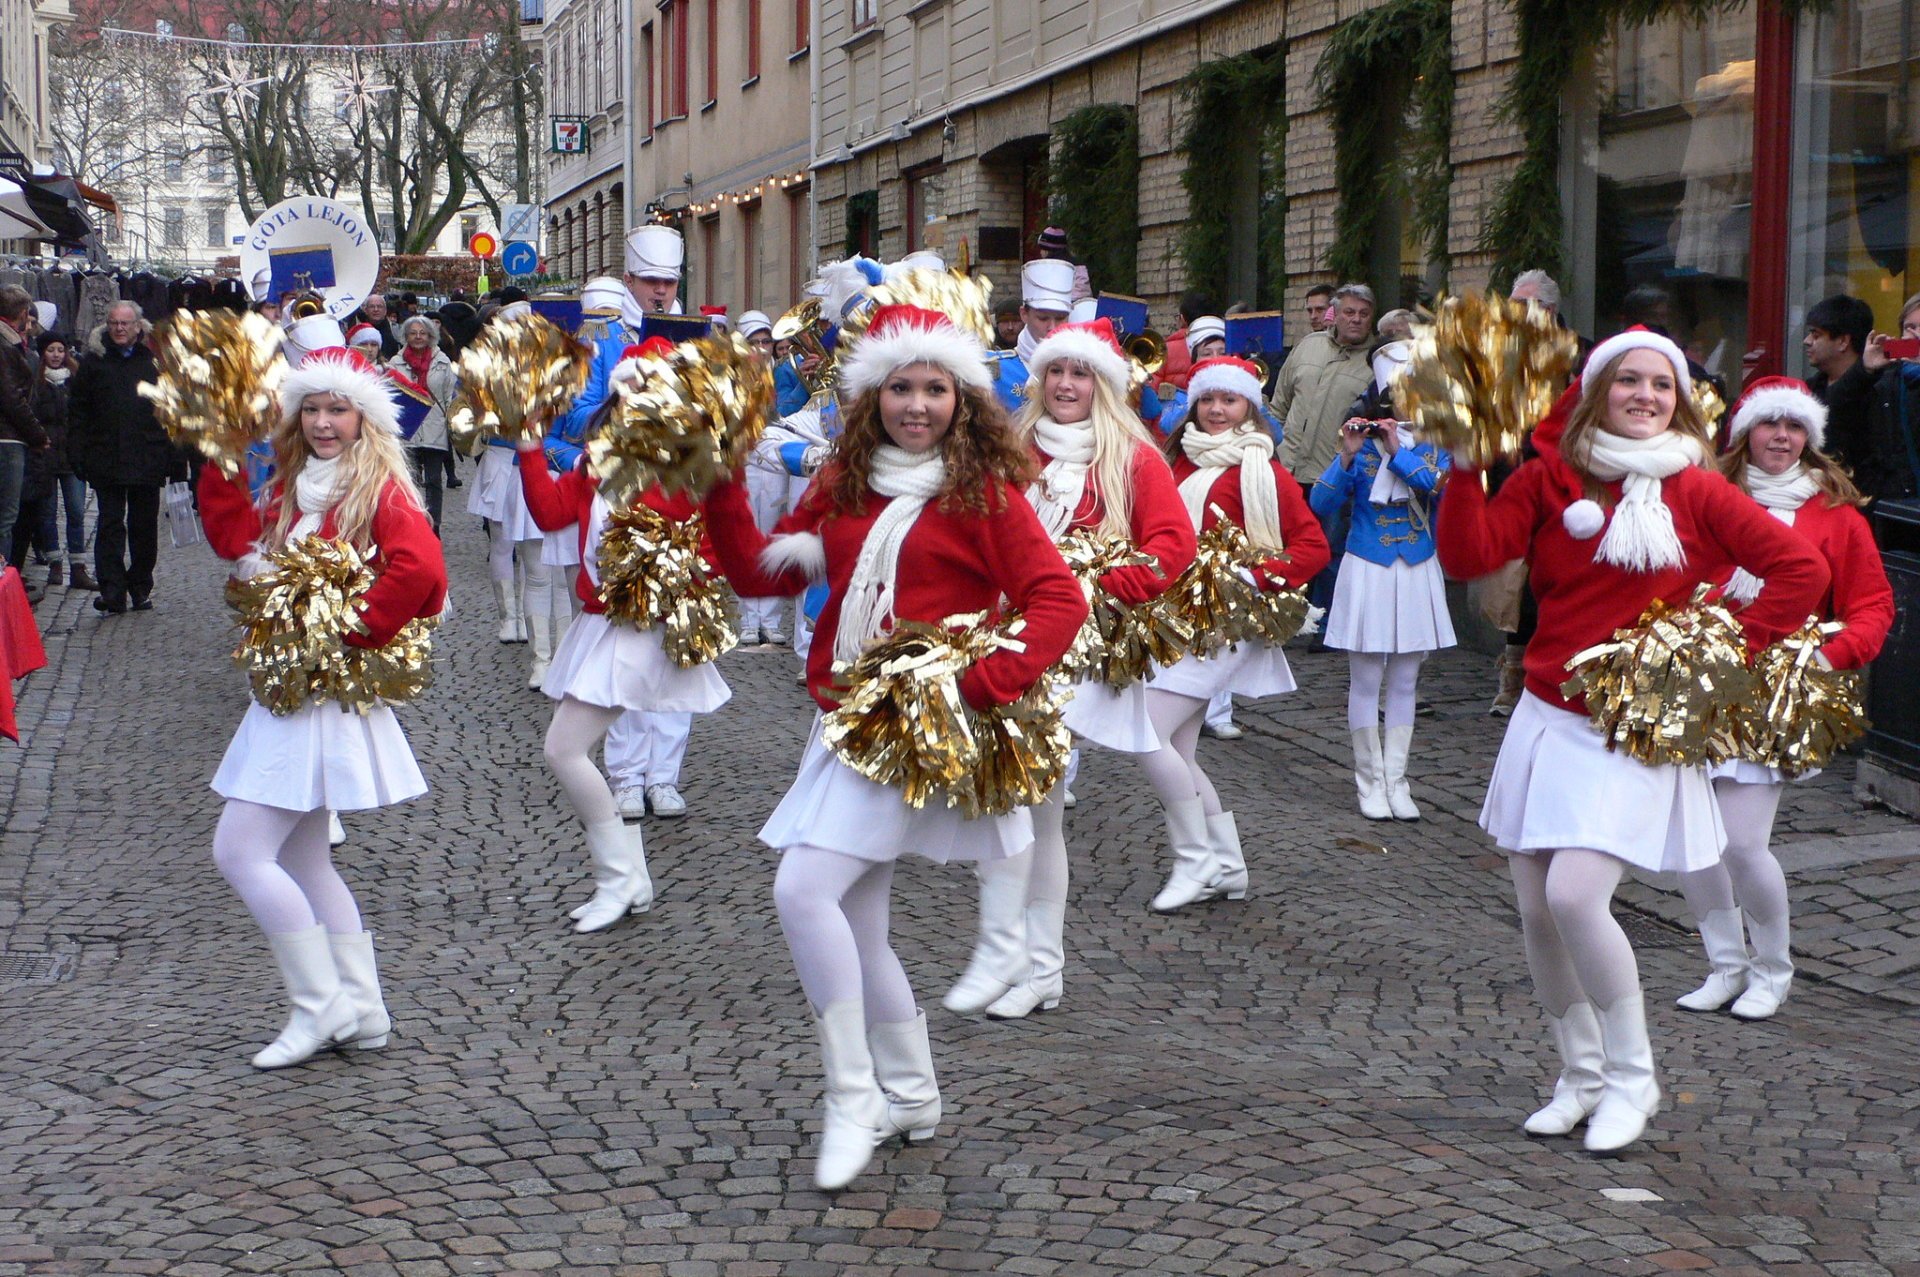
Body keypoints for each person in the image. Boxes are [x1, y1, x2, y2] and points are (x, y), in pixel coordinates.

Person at [699, 303, 1086, 1190]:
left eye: (936, 388)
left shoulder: (982, 492)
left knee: (802, 889)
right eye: (901, 387)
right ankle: (911, 1092)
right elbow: (764, 571)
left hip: (917, 727)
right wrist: (718, 484)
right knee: (858, 923)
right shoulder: (843, 480)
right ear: (871, 394)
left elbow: (1056, 600)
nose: (918, 404)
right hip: (847, 716)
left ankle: (853, 1096)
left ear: (964, 399)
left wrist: (974, 684)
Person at [1436, 328, 1828, 1154]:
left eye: (1661, 383)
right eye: (1629, 381)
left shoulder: (1696, 488)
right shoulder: (1551, 476)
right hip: (1548, 713)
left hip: (1635, 725)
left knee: (1578, 895)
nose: (1646, 395)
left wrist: (1716, 655)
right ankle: (1578, 1076)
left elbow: (1800, 571)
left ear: (1679, 399)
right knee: (1538, 910)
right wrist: (1466, 462)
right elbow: (1470, 552)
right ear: (1598, 390)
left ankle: (1633, 1074)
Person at [196, 339, 447, 1069]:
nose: (324, 422)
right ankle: (364, 1010)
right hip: (292, 693)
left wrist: (350, 630)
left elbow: (424, 568)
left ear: (364, 417)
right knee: (308, 862)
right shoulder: (291, 486)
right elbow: (232, 538)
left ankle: (320, 1005)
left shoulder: (378, 491)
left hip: (319, 697)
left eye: (338, 408)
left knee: (239, 851)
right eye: (312, 408)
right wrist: (217, 453)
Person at [945, 317, 1194, 1020]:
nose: (1065, 385)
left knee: (1031, 805)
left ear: (1102, 385)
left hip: (1074, 653)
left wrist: (1092, 586)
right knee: (1014, 804)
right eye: (1056, 372)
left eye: (1080, 374)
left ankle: (1034, 964)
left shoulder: (1134, 458)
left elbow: (1170, 548)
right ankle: (1025, 961)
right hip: (1003, 642)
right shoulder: (1012, 445)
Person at [1674, 378, 1892, 1021]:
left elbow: (1873, 606)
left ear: (1810, 439)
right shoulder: (1705, 499)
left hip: (1775, 695)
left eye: (1794, 428)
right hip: (1699, 684)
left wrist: (1828, 655)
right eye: (1769, 425)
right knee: (1693, 842)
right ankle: (1725, 965)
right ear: (1744, 434)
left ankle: (1773, 971)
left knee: (1741, 843)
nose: (1781, 438)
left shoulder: (1835, 516)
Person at [515, 339, 732, 934]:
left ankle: (621, 877)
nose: (639, 401)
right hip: (600, 622)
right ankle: (627, 876)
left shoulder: (689, 465)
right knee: (565, 749)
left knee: (562, 750)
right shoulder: (597, 457)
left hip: (642, 626)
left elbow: (714, 549)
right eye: (630, 390)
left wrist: (671, 583)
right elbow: (553, 515)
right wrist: (530, 444)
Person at [1141, 356, 1329, 912]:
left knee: (1147, 732)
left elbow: (1312, 547)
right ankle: (1227, 867)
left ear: (1249, 407)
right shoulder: (1177, 462)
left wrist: (1253, 575)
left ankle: (1195, 860)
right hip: (1174, 619)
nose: (1217, 410)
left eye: (1230, 400)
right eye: (1207, 400)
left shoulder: (1262, 470)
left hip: (1227, 623)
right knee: (1178, 748)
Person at [1311, 342, 1453, 821]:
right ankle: (1368, 781)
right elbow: (1321, 507)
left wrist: (1398, 452)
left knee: (1407, 680)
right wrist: (1346, 458)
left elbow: (1434, 487)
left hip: (1416, 564)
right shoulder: (1360, 441)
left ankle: (1398, 780)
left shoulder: (1437, 444)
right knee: (1366, 679)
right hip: (1367, 565)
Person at [68, 302, 185, 615]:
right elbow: (78, 410)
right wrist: (76, 451)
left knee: (144, 528)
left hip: (148, 456)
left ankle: (140, 586)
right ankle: (112, 591)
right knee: (109, 526)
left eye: (124, 323)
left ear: (138, 326)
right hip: (106, 456)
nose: (119, 329)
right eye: (113, 323)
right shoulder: (94, 362)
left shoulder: (157, 363)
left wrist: (177, 459)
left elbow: (173, 413)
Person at [1271, 283, 1377, 619]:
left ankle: (1327, 622)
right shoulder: (1308, 346)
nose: (1356, 320)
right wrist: (1275, 449)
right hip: (1289, 467)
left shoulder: (1375, 361)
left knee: (1331, 551)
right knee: (1287, 547)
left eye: (1363, 314)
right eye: (1349, 312)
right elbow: (1280, 404)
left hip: (1335, 472)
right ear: (1336, 314)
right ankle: (1284, 617)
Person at [32, 333, 93, 591]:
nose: (56, 355)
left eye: (60, 350)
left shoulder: (76, 381)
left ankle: (78, 566)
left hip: (71, 456)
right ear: (43, 354)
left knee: (76, 510)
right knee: (47, 514)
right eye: (51, 350)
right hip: (45, 456)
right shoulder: (36, 383)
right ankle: (55, 562)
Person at [387, 316, 457, 533]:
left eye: (422, 333)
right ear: (406, 336)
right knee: (411, 480)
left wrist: (452, 423)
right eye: (413, 333)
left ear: (430, 336)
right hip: (408, 429)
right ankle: (415, 522)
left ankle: (434, 524)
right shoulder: (395, 364)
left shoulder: (443, 362)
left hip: (435, 426)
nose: (418, 337)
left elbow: (449, 397)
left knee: (434, 479)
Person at [0, 286, 50, 574]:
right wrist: (37, 435)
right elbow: (11, 398)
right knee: (6, 518)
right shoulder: (6, 346)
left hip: (10, 436)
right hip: (7, 439)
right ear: (21, 314)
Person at [988, 259, 1076, 412]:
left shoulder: (1084, 368)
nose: (1052, 327)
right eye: (1043, 318)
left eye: (1060, 318)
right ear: (1024, 314)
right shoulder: (996, 369)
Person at [1035, 226, 1092, 302]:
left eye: (1042, 249)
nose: (1040, 253)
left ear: (1047, 251)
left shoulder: (1047, 268)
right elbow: (1083, 293)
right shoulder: (1078, 265)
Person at [353, 294, 401, 359]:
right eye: (372, 306)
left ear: (385, 311)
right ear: (366, 310)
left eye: (379, 306)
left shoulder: (395, 329)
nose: (376, 309)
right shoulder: (357, 329)